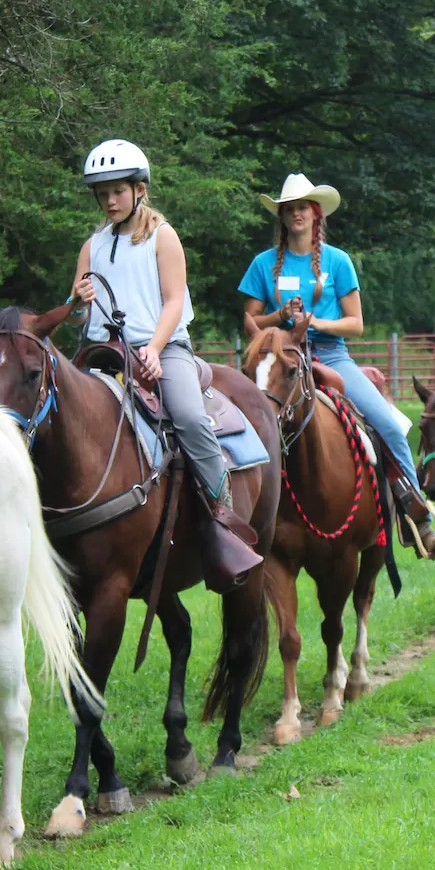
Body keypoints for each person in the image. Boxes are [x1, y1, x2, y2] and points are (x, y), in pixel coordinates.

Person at [68, 138, 263, 592]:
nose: (109, 200)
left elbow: (174, 300)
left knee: (192, 418)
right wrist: (76, 302)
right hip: (101, 353)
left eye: (117, 190)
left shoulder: (162, 236)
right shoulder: (92, 246)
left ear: (139, 189)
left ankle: (222, 519)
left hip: (162, 348)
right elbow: (78, 313)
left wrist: (154, 348)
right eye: (102, 193)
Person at [239, 173, 435, 559]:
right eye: (289, 210)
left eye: (302, 207)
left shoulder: (338, 262)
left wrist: (316, 323)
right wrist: (280, 316)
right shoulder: (262, 264)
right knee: (243, 424)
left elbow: (356, 323)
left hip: (330, 355)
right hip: (280, 359)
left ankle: (416, 515)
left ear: (316, 213)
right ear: (283, 217)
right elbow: (250, 322)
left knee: (387, 423)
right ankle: (236, 516)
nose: (296, 215)